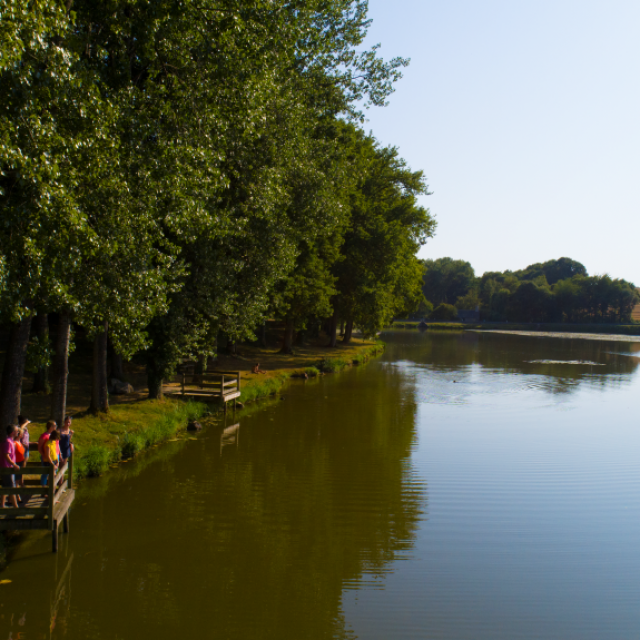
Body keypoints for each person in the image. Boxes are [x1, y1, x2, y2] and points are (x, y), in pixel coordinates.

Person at [1, 425, 20, 509]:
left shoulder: (10, 441)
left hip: (8, 467)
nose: (18, 432)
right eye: (17, 431)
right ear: (12, 432)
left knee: (5, 486)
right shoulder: (7, 442)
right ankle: (16, 507)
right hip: (7, 467)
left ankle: (2, 505)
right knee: (11, 487)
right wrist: (14, 464)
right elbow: (6, 455)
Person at [38, 420, 56, 486]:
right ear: (51, 427)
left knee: (53, 474)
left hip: (53, 457)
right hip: (46, 458)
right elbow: (39, 447)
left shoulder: (53, 435)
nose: (56, 427)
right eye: (54, 426)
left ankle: (49, 489)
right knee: (45, 473)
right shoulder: (44, 436)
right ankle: (43, 489)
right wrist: (44, 455)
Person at [13, 427, 26, 494]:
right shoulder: (14, 443)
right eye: (22, 434)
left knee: (18, 480)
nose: (22, 435)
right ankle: (16, 496)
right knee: (16, 481)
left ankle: (15, 496)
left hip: (21, 462)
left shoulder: (19, 442)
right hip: (16, 463)